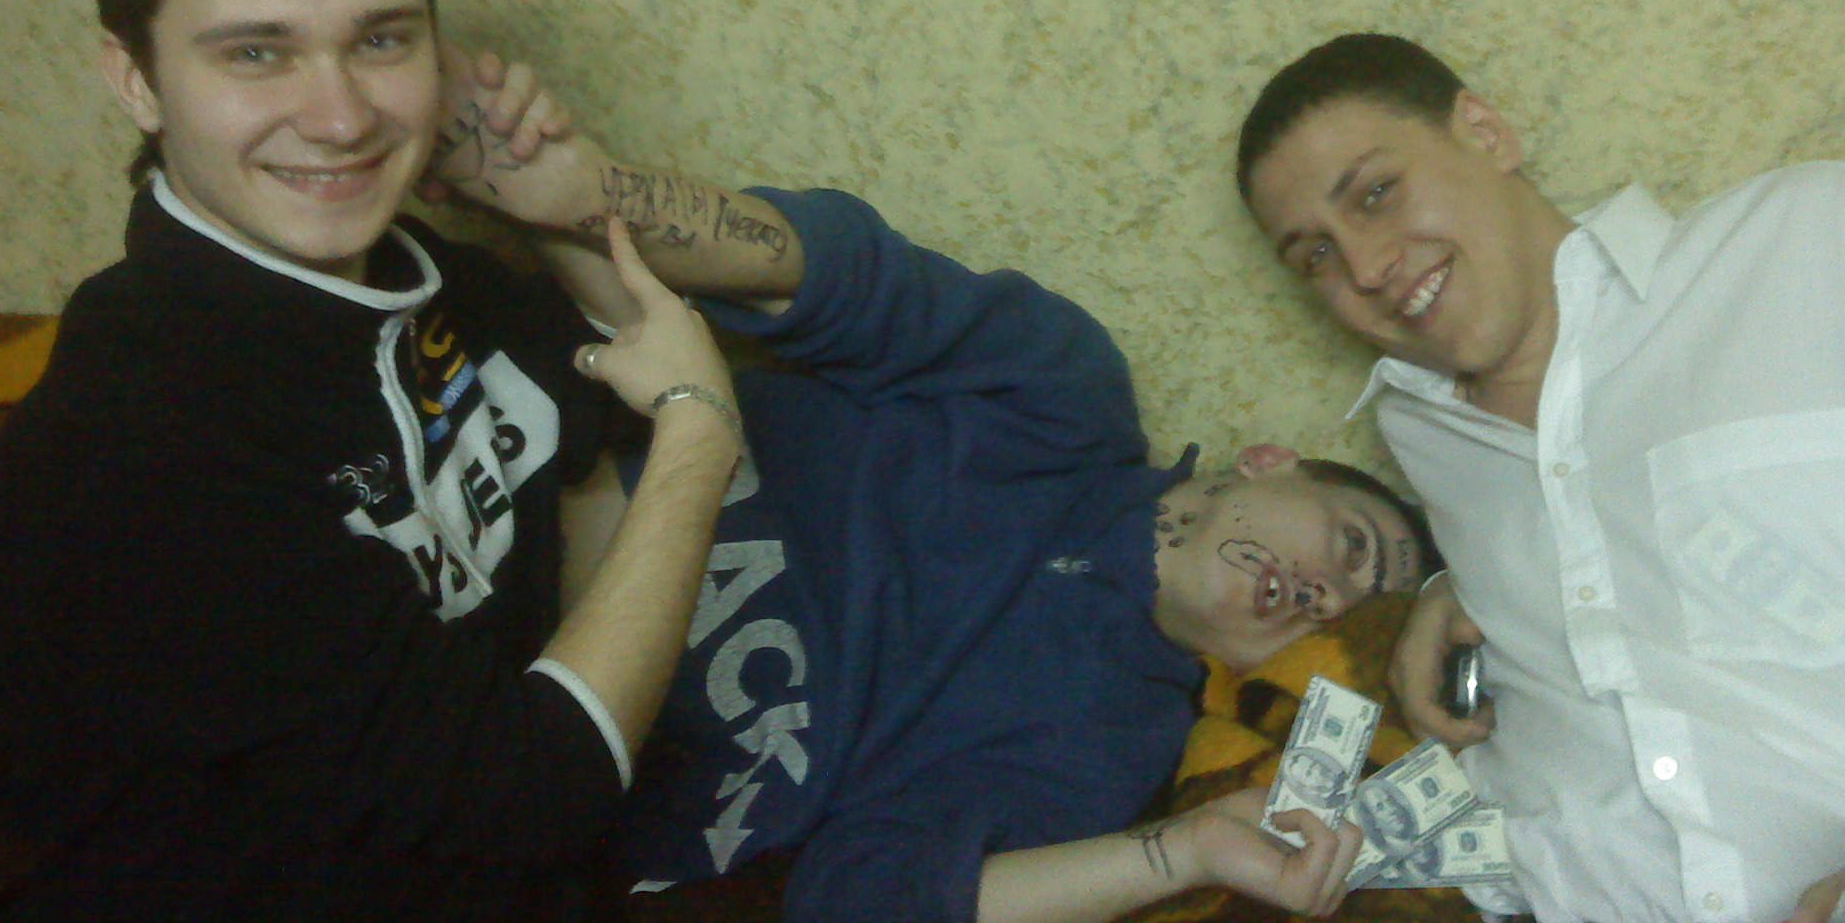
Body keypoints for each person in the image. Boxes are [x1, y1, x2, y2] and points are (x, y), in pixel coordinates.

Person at [0, 0, 749, 921]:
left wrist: (548, 199)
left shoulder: (410, 272)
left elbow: (608, 373)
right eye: (256, 54)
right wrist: (699, 438)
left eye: (381, 40)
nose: (340, 119)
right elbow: (538, 796)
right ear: (135, 78)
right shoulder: (133, 443)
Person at [423, 80, 1443, 923]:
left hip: (523, 787)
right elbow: (835, 278)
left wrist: (1184, 851)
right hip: (496, 501)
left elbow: (874, 893)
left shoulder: (1112, 739)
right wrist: (589, 193)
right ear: (1269, 461)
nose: (1322, 596)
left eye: (1335, 622)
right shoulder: (1062, 394)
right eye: (1354, 550)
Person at [1234, 32, 1845, 923]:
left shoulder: (1821, 240)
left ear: (1485, 133)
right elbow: (1600, 546)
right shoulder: (1419, 430)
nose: (1364, 268)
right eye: (1315, 256)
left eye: (1376, 193)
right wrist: (1447, 585)